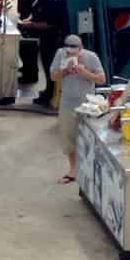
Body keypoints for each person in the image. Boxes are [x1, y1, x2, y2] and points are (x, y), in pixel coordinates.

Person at [49, 36, 105, 183]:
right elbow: (54, 76)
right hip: (67, 103)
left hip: (87, 105)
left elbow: (101, 79)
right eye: (68, 53)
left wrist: (84, 72)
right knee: (68, 138)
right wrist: (65, 70)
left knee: (87, 138)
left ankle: (90, 168)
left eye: (74, 53)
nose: (71, 55)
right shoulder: (60, 54)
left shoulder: (91, 57)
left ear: (81, 49)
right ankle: (73, 169)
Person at [19, 0, 69, 109]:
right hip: (43, 38)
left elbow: (50, 24)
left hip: (53, 39)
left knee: (50, 68)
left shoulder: (53, 0)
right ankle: (47, 91)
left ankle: (50, 95)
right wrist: (28, 20)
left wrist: (31, 25)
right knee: (46, 66)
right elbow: (34, 11)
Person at [14, 0, 45, 89]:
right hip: (25, 14)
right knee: (23, 45)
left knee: (29, 46)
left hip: (29, 15)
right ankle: (26, 67)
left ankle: (31, 74)